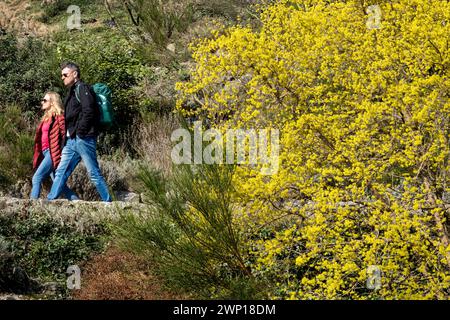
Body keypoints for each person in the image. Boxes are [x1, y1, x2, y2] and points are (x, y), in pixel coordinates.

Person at [47, 62, 112, 202]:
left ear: (75, 74)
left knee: (93, 173)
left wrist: (80, 132)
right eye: (62, 75)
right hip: (71, 141)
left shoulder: (82, 88)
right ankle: (51, 200)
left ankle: (108, 201)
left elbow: (89, 111)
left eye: (65, 74)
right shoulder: (72, 92)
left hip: (83, 138)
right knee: (61, 171)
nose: (62, 77)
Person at [31, 92, 79, 200]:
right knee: (58, 182)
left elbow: (64, 136)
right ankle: (77, 202)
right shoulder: (45, 118)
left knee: (36, 178)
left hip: (52, 152)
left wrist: (62, 152)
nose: (42, 102)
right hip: (45, 152)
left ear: (52, 102)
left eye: (45, 100)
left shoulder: (59, 117)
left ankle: (32, 206)